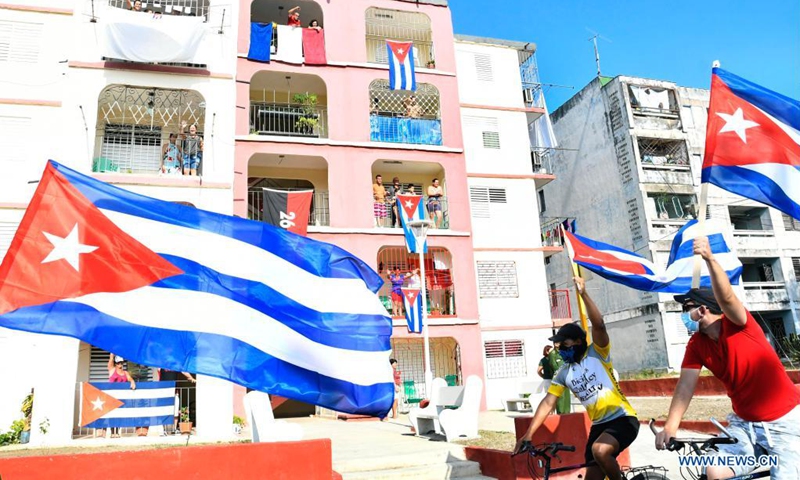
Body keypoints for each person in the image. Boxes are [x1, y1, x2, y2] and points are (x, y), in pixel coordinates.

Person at [655, 236, 800, 480]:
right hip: (745, 426)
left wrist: (710, 260)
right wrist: (671, 425)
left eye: (686, 308)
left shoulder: (740, 324)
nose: (683, 314)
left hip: (783, 423)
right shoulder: (696, 344)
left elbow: (728, 299)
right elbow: (685, 386)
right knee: (712, 470)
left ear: (702, 310)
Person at [514, 277, 638, 480]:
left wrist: (584, 294)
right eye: (558, 345)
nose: (560, 349)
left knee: (600, 450)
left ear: (579, 341)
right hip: (599, 426)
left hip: (623, 419)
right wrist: (528, 434)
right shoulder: (563, 372)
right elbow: (547, 403)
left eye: (564, 344)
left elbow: (599, 326)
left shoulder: (597, 353)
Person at [158, 368, 196, 435]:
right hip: (164, 390)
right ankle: (164, 430)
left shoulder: (175, 365)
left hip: (174, 391)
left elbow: (183, 371)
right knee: (164, 410)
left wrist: (191, 378)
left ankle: (174, 429)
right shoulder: (162, 364)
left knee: (175, 411)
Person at [106, 353, 136, 439]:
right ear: (115, 363)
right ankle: (112, 432)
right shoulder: (112, 370)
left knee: (119, 415)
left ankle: (117, 432)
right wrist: (113, 352)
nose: (120, 365)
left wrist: (132, 381)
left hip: (121, 398)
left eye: (121, 363)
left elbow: (130, 378)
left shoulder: (125, 372)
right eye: (118, 363)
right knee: (112, 415)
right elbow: (111, 359)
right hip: (112, 396)